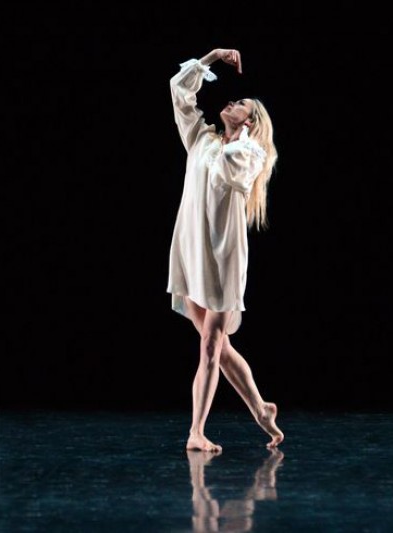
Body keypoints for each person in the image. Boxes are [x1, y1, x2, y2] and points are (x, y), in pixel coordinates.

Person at [167, 47, 284, 452]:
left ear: (250, 121)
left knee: (210, 345)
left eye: (242, 105)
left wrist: (244, 137)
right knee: (219, 345)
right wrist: (213, 56)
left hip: (222, 259)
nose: (231, 101)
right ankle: (261, 410)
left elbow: (228, 171)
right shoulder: (201, 139)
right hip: (192, 251)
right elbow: (178, 89)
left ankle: (195, 431)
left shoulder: (248, 154)